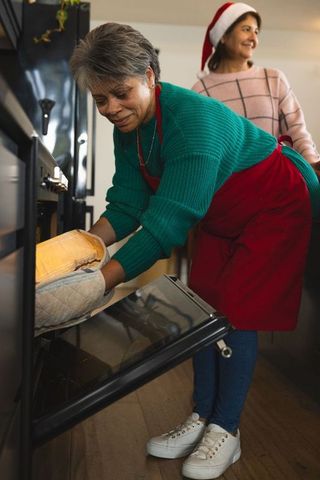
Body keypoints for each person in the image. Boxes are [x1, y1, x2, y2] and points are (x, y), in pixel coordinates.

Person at [69, 22, 320, 480]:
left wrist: (96, 285)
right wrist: (76, 251)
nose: (111, 109)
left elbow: (166, 222)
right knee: (202, 304)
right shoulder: (130, 128)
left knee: (238, 310)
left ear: (149, 76)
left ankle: (227, 428)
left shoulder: (193, 123)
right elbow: (127, 204)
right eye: (100, 100)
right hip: (224, 214)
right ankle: (202, 414)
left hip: (276, 204)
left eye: (120, 94)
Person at [192, 1, 320, 172]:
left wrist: (312, 164)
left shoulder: (274, 79)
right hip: (230, 189)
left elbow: (297, 131)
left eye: (256, 32)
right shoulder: (201, 91)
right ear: (223, 36)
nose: (254, 39)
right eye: (246, 29)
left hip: (278, 180)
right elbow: (203, 147)